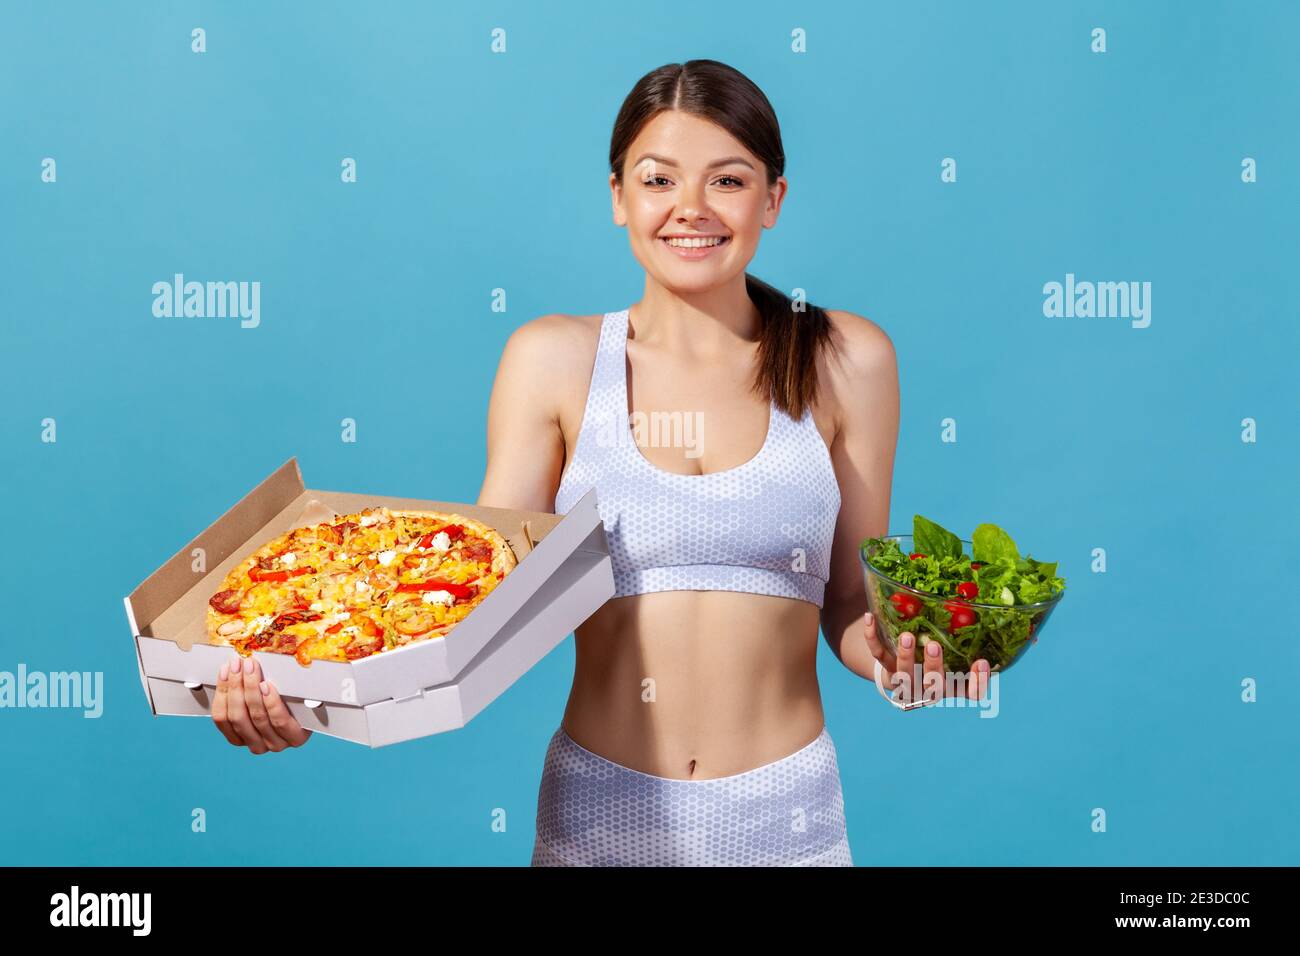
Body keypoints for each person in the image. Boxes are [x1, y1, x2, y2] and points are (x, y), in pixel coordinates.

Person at [210, 58, 990, 866]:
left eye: (727, 181)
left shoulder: (846, 360)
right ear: (618, 196)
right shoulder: (552, 361)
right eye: (660, 180)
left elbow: (852, 602)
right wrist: (310, 697)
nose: (691, 209)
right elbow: (480, 609)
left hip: (787, 825)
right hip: (597, 824)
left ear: (773, 200)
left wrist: (905, 657)